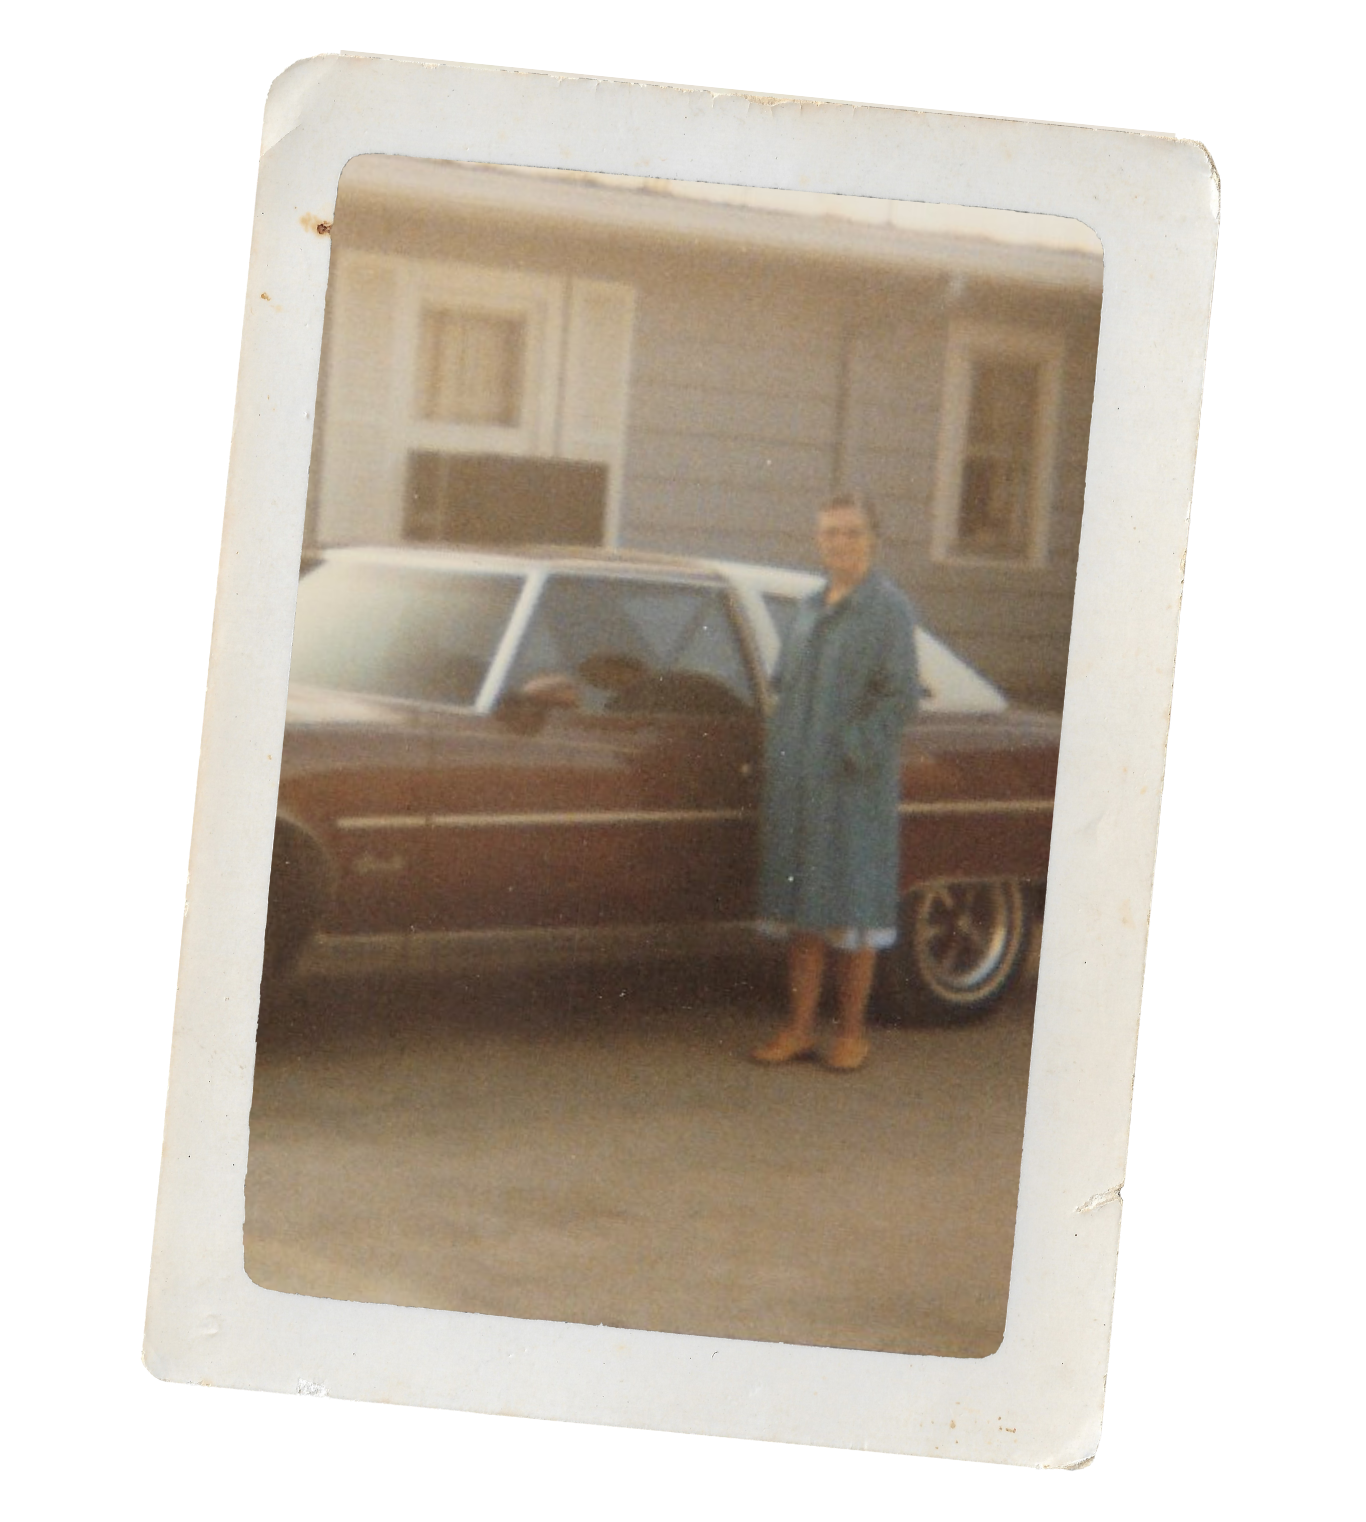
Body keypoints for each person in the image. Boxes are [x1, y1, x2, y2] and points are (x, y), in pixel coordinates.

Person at [751, 492, 921, 1072]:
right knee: (804, 910)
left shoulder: (888, 609)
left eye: (850, 532)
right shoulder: (807, 606)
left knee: (852, 911)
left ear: (873, 538)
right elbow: (784, 684)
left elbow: (900, 697)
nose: (839, 543)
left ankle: (850, 1032)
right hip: (799, 785)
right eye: (829, 533)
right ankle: (798, 1028)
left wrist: (851, 749)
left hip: (853, 788)